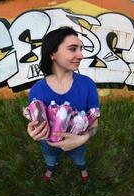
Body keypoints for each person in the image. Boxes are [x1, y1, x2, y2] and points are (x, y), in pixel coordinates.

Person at [27, 27, 99, 183]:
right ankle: (51, 167)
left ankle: (82, 168)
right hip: (49, 143)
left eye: (80, 49)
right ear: (52, 54)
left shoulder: (88, 85)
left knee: (79, 158)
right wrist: (33, 130)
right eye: (73, 49)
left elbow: (95, 124)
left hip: (77, 141)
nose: (81, 55)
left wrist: (83, 139)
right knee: (50, 158)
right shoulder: (37, 90)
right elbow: (36, 121)